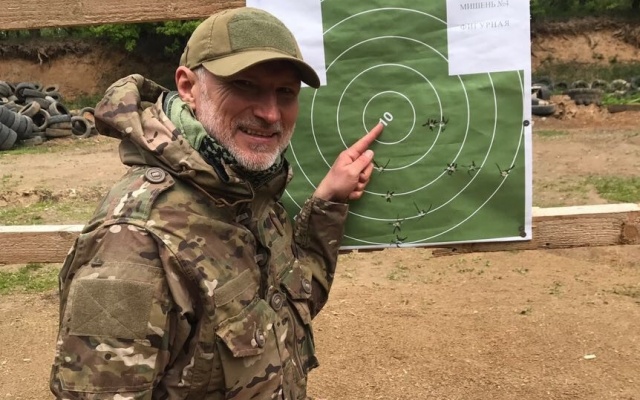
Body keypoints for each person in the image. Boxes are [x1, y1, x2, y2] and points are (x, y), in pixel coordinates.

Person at [50, 6, 382, 400]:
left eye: (286, 92)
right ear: (188, 87)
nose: (270, 113)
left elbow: (295, 303)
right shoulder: (134, 243)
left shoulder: (245, 192)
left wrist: (328, 201)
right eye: (244, 85)